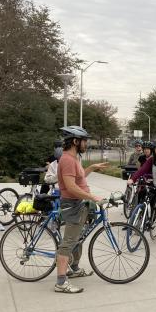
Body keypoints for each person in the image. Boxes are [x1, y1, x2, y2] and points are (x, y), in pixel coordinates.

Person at [55, 126, 109, 293]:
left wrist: (92, 167)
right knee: (68, 243)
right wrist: (93, 197)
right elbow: (71, 187)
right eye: (85, 141)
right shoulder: (68, 160)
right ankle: (61, 283)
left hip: (79, 204)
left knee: (78, 238)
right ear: (75, 142)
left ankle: (74, 268)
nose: (87, 144)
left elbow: (79, 178)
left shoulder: (74, 159)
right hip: (73, 205)